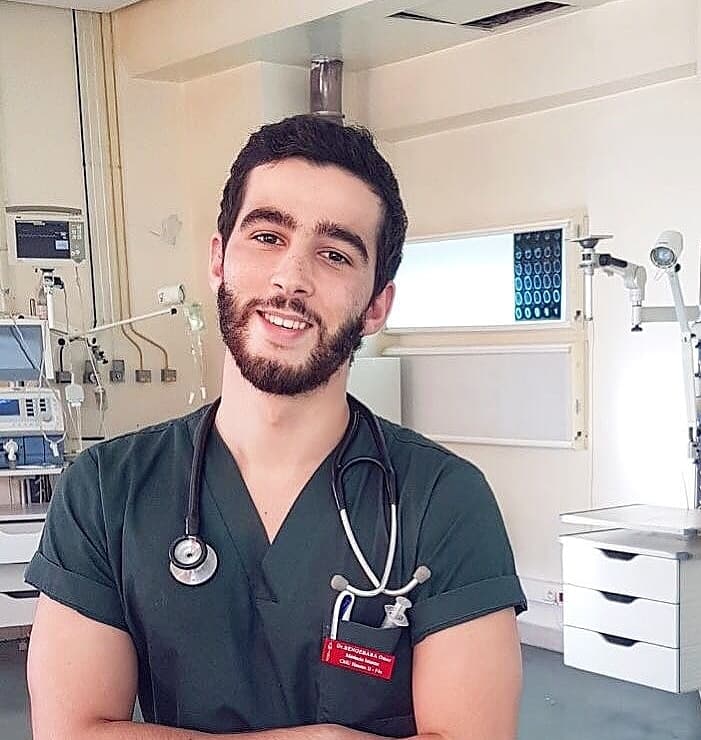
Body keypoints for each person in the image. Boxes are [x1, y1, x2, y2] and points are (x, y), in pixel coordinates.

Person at [25, 114, 527, 740]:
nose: (292, 278)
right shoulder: (106, 491)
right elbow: (71, 733)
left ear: (377, 305)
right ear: (218, 260)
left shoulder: (443, 501)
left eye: (335, 254)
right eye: (267, 236)